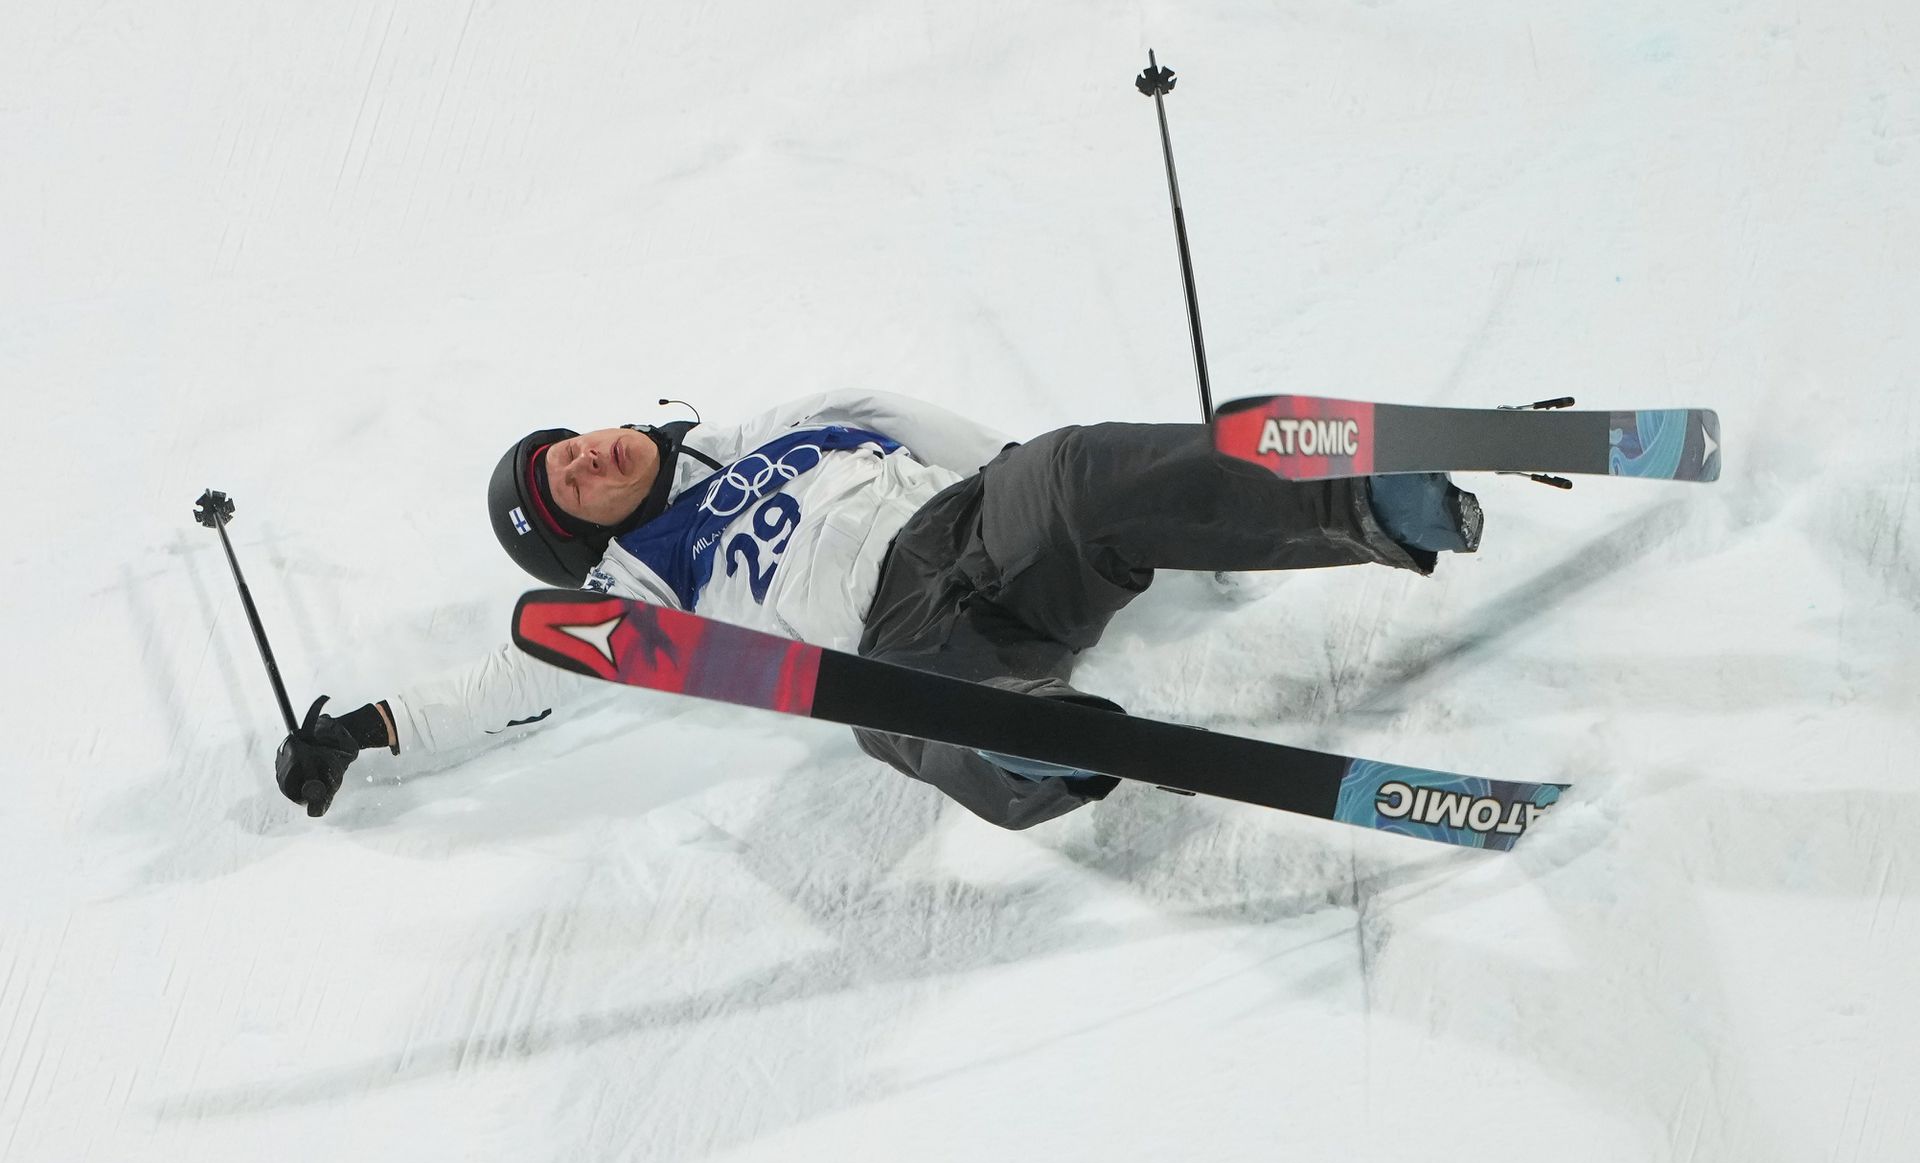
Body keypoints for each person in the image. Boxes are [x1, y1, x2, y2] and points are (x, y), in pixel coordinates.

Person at [276, 389, 1480, 829]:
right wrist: (370, 727)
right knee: (891, 715)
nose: (588, 459)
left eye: (573, 445)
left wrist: (1017, 484)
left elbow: (936, 432)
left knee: (1074, 462)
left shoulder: (797, 417)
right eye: (569, 485)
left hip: (971, 524)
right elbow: (507, 678)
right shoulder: (642, 591)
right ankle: (1035, 740)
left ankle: (1372, 502)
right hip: (898, 639)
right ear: (582, 535)